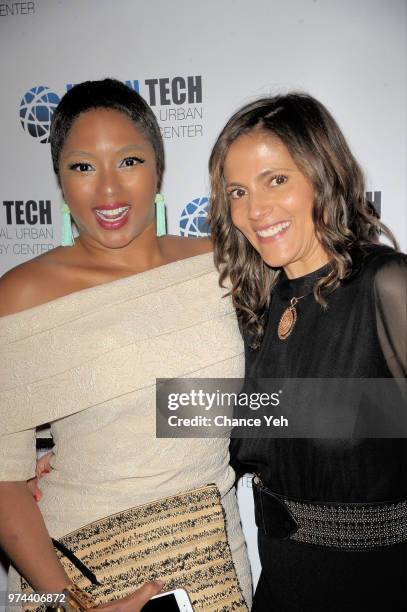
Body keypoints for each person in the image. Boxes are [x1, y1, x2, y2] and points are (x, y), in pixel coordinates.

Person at [0, 79, 251, 610]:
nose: (108, 191)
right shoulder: (21, 294)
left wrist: (373, 413)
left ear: (157, 168)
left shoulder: (219, 265)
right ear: (60, 180)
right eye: (83, 166)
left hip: (213, 556)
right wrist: (67, 604)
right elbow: (2, 482)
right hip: (77, 569)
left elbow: (263, 400)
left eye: (130, 161)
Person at [208, 93, 407, 611]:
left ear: (322, 175)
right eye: (238, 191)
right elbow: (222, 427)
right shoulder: (257, 308)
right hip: (282, 586)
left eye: (277, 180)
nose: (256, 210)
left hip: (376, 588)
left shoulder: (385, 286)